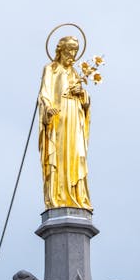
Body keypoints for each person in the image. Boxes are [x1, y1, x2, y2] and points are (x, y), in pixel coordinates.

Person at [38, 35, 92, 210]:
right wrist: (47, 108)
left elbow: (85, 103)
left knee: (77, 155)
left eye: (75, 51)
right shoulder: (51, 69)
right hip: (59, 120)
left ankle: (76, 195)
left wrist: (81, 93)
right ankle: (59, 194)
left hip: (75, 119)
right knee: (60, 156)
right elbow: (44, 94)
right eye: (70, 50)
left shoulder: (76, 73)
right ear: (61, 50)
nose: (73, 55)